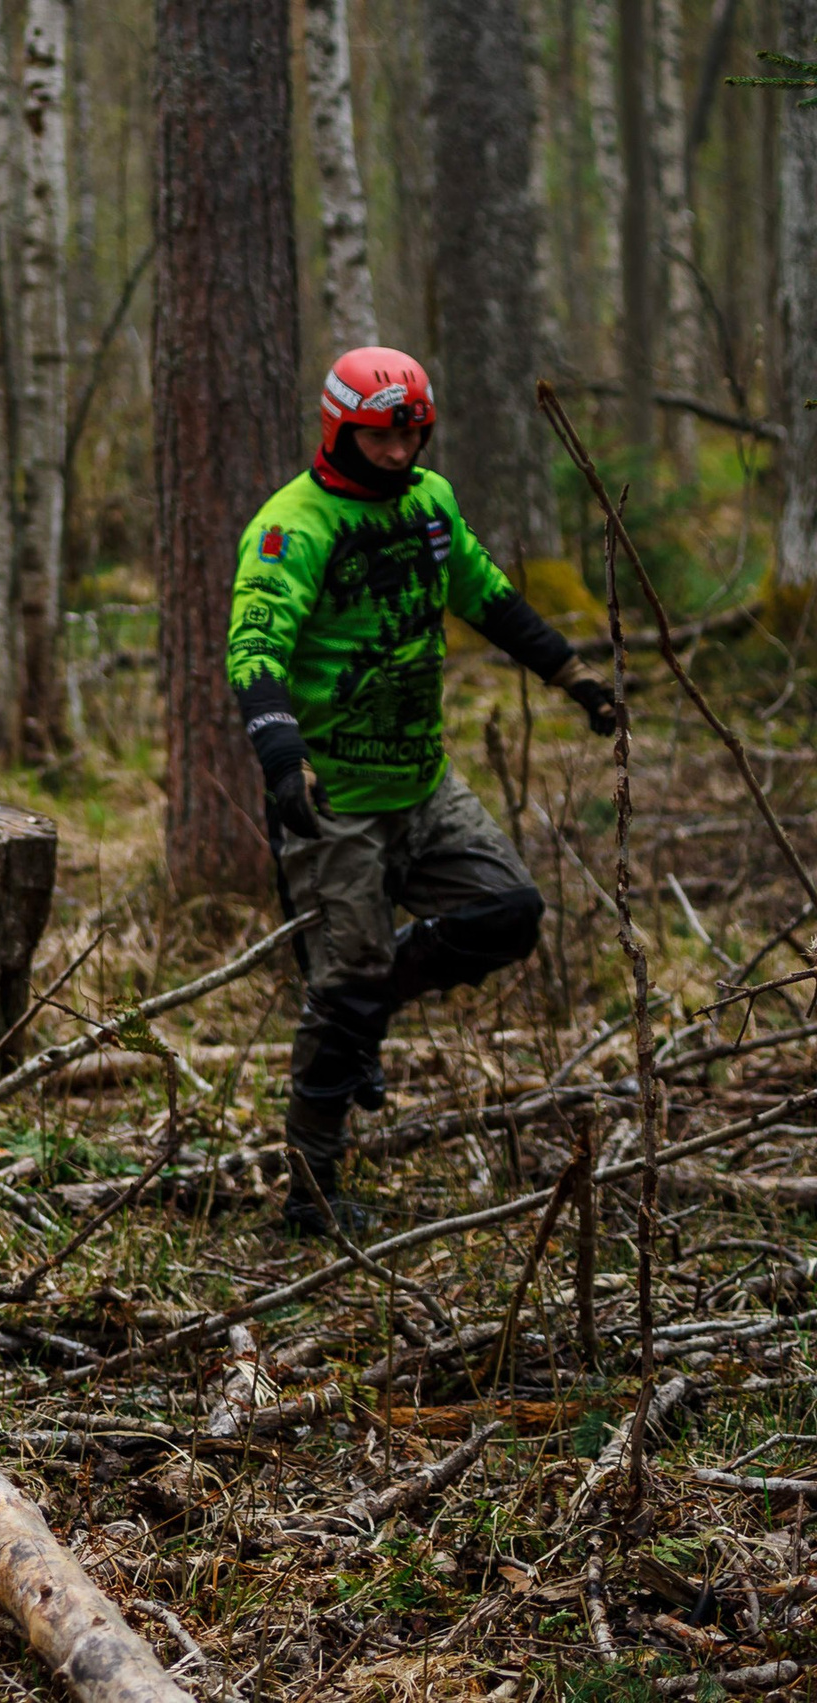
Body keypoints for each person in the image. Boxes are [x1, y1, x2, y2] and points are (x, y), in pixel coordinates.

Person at [228, 347, 617, 1234]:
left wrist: (575, 677)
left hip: (424, 780)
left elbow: (487, 597)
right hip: (338, 797)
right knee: (343, 985)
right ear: (342, 429)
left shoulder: (431, 504)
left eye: (412, 435)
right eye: (381, 438)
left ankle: (370, 995)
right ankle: (311, 1193)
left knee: (510, 910)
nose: (400, 453)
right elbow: (255, 646)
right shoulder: (293, 525)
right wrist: (281, 757)